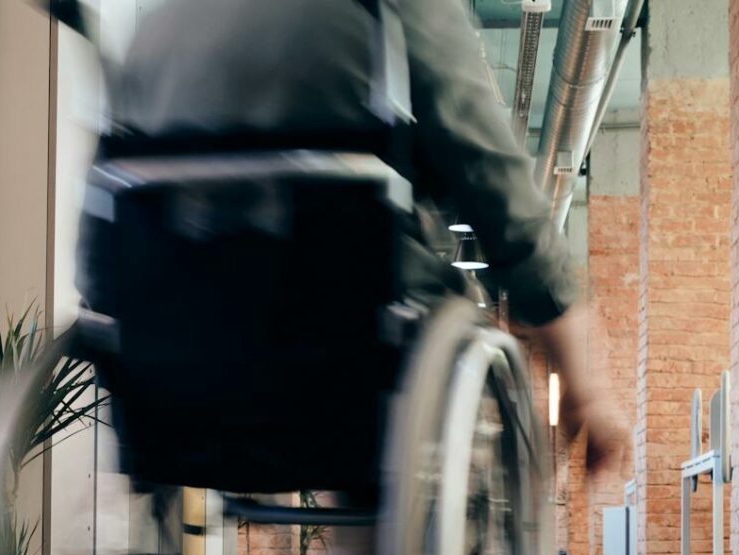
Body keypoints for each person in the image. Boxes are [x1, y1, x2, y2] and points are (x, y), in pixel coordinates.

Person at [104, 0, 619, 470]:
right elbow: (498, 188)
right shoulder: (396, 9)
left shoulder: (157, 21)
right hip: (344, 355)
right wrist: (580, 383)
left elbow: (108, 213)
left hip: (174, 370)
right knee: (394, 308)